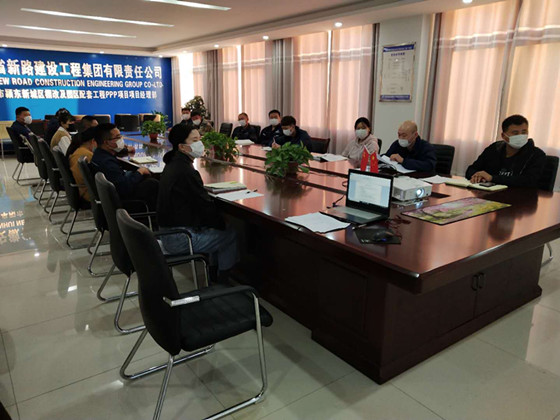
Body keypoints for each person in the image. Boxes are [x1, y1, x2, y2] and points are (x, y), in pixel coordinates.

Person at [157, 123, 239, 283]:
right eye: (194, 140)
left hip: (169, 231)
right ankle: (223, 281)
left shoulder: (174, 163)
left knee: (216, 226)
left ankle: (213, 272)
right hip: (179, 237)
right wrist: (222, 223)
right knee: (228, 234)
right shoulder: (186, 171)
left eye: (199, 139)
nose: (199, 143)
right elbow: (205, 206)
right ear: (182, 147)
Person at [465, 114, 546, 187]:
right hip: (489, 194)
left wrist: (492, 178)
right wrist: (478, 176)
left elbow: (528, 181)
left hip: (520, 196)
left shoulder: (536, 155)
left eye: (524, 132)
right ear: (503, 136)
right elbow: (471, 170)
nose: (520, 136)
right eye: (515, 133)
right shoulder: (494, 148)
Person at [91, 123, 159, 210]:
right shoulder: (107, 163)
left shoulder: (99, 154)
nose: (121, 139)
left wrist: (125, 149)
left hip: (112, 198)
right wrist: (140, 172)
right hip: (122, 203)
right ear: (106, 143)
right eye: (118, 137)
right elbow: (124, 187)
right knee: (152, 184)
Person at [68, 127, 97, 201]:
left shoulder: (79, 151)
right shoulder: (87, 155)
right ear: (93, 141)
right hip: (90, 194)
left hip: (83, 191)